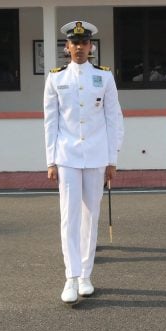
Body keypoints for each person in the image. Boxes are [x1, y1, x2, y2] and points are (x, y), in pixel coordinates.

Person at [43, 20, 124, 305]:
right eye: (74, 43)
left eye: (84, 43)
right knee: (69, 217)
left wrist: (113, 158)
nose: (79, 48)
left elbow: (113, 118)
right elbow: (51, 121)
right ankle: (70, 276)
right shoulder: (56, 78)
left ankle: (86, 275)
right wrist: (51, 159)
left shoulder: (104, 77)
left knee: (91, 215)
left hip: (97, 154)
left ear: (91, 47)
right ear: (67, 47)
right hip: (66, 155)